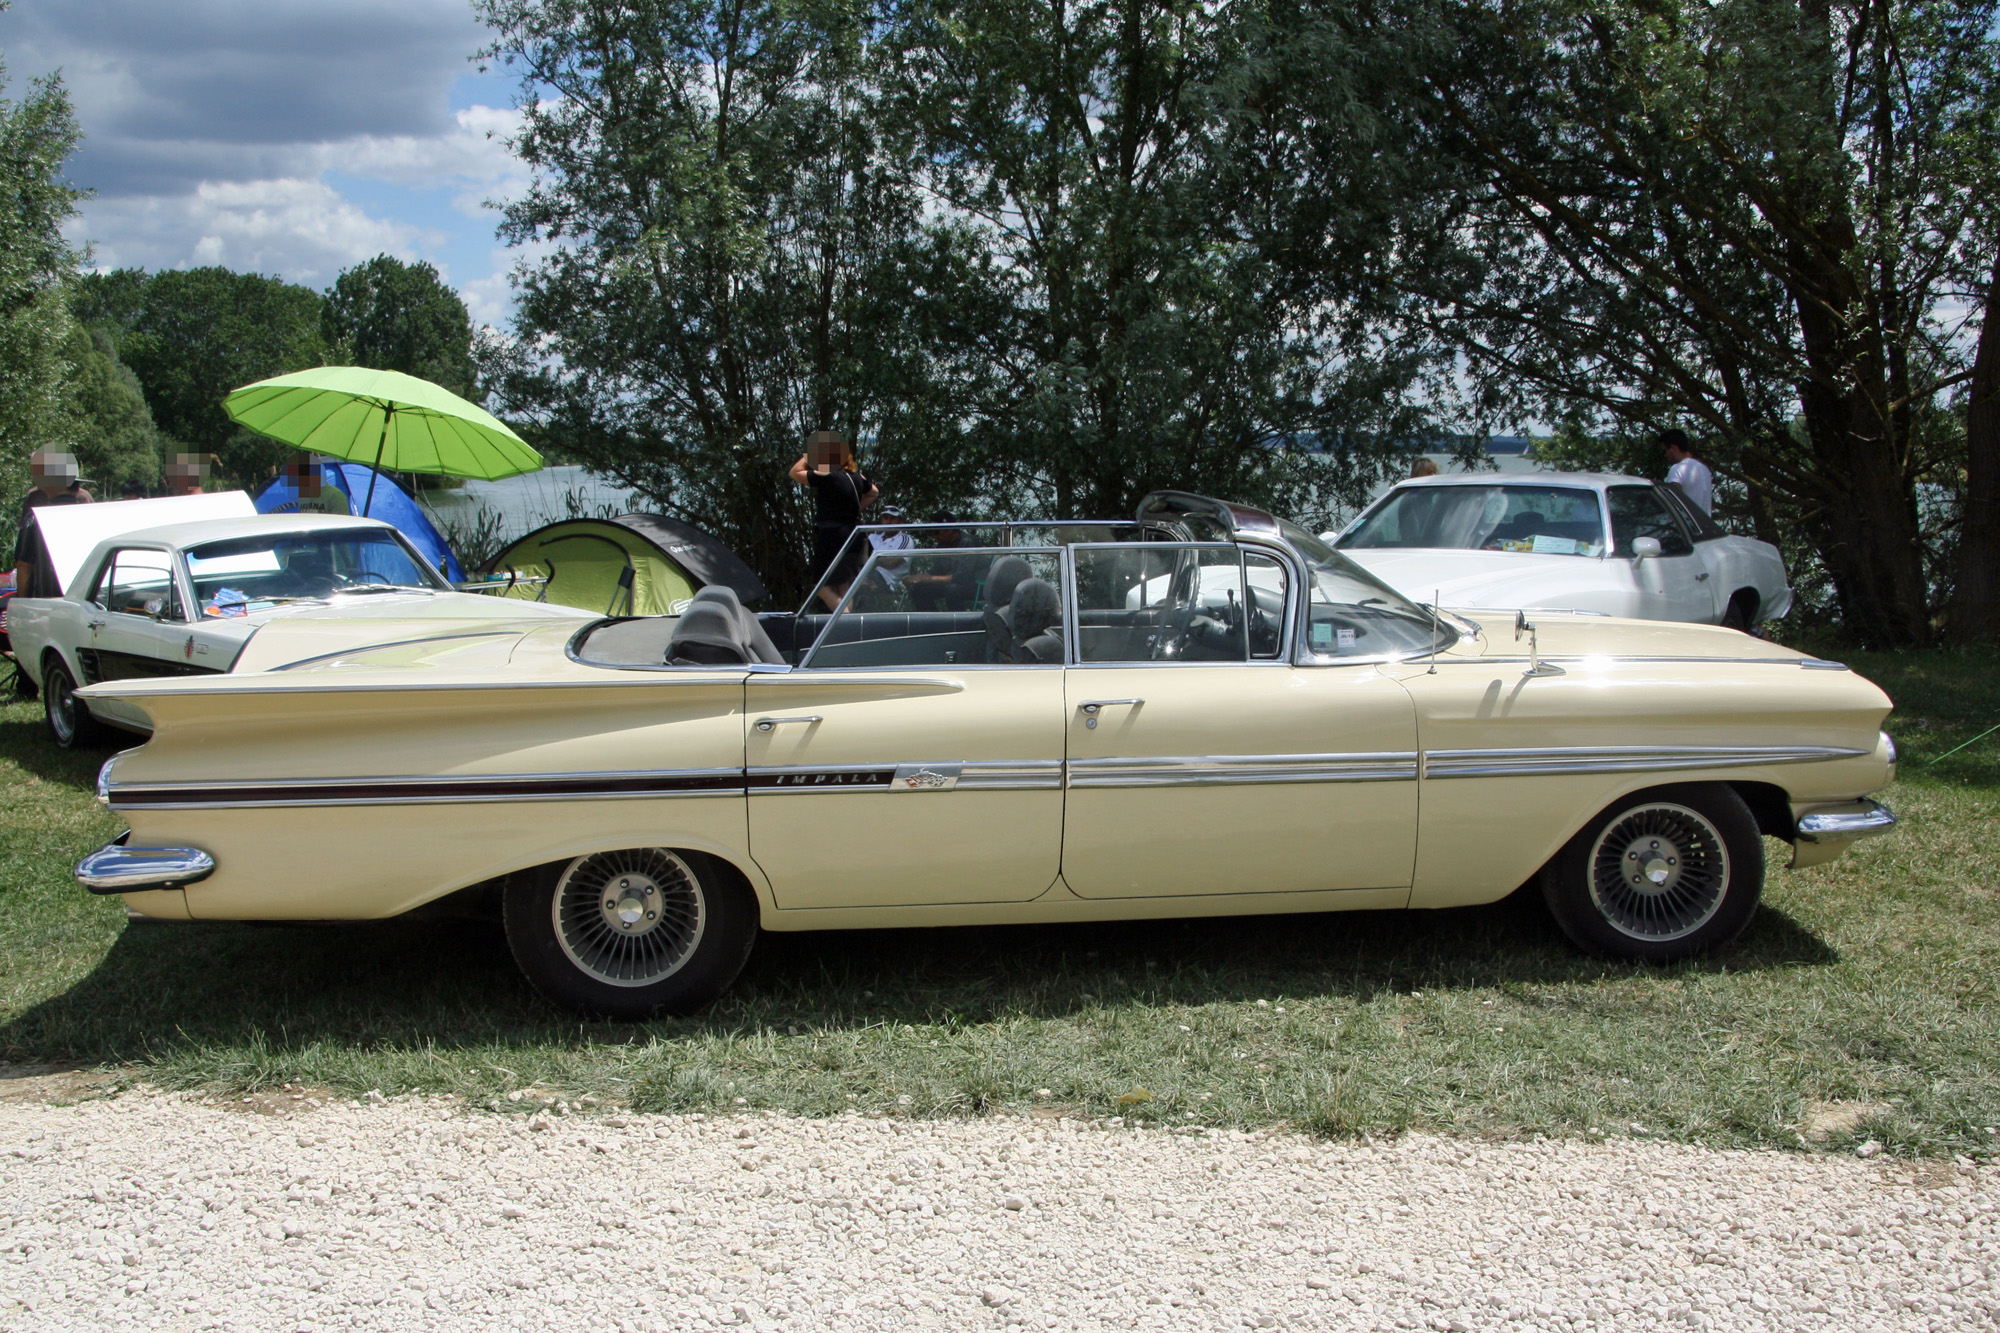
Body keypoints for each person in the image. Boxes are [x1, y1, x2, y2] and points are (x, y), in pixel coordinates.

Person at [788, 430, 878, 611]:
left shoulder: (828, 475)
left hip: (832, 536)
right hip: (853, 535)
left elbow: (795, 472)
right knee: (843, 584)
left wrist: (809, 454)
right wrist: (854, 507)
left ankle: (843, 619)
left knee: (821, 586)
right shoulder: (856, 476)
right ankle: (847, 625)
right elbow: (874, 491)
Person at [13, 452, 85, 597]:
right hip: (83, 601)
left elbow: (24, 566)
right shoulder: (90, 515)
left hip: (46, 603)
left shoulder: (37, 519)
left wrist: (23, 603)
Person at [905, 511, 981, 612]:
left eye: (936, 532)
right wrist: (919, 578)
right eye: (932, 533)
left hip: (975, 585)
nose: (934, 536)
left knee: (953, 590)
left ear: (949, 529)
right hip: (950, 584)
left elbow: (963, 577)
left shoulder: (968, 542)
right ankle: (933, 623)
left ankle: (957, 624)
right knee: (919, 589)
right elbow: (936, 570)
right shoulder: (942, 545)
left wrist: (930, 579)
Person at [1660, 429, 1714, 515]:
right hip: (1704, 525)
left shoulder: (1677, 469)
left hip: (1687, 525)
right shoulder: (1704, 469)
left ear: (1673, 448)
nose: (1665, 455)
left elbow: (1672, 502)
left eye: (1665, 450)